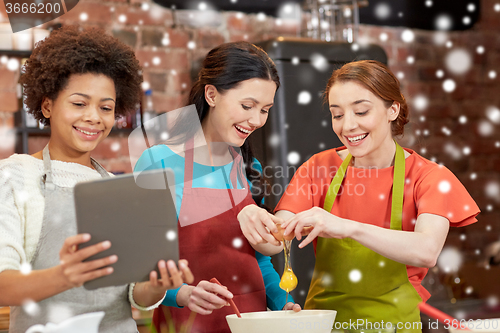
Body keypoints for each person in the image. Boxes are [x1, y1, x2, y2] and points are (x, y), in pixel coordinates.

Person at [238, 60, 480, 332]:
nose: (348, 126)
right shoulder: (319, 168)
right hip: (326, 325)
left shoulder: (430, 177)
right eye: (337, 115)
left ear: (392, 110)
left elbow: (426, 251)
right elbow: (276, 240)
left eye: (361, 111)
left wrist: (347, 227)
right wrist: (251, 213)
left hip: (393, 326)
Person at [0, 25, 193, 333]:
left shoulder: (119, 189)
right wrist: (64, 275)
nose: (94, 117)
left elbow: (134, 294)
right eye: (79, 103)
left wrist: (157, 285)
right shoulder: (16, 175)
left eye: (106, 108)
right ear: (47, 105)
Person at [134, 41, 301, 333]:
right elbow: (144, 265)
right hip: (187, 322)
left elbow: (259, 261)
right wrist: (183, 293)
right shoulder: (158, 162)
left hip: (251, 322)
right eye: (247, 106)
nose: (256, 120)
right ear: (212, 94)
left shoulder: (250, 168)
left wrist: (281, 302)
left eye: (265, 110)